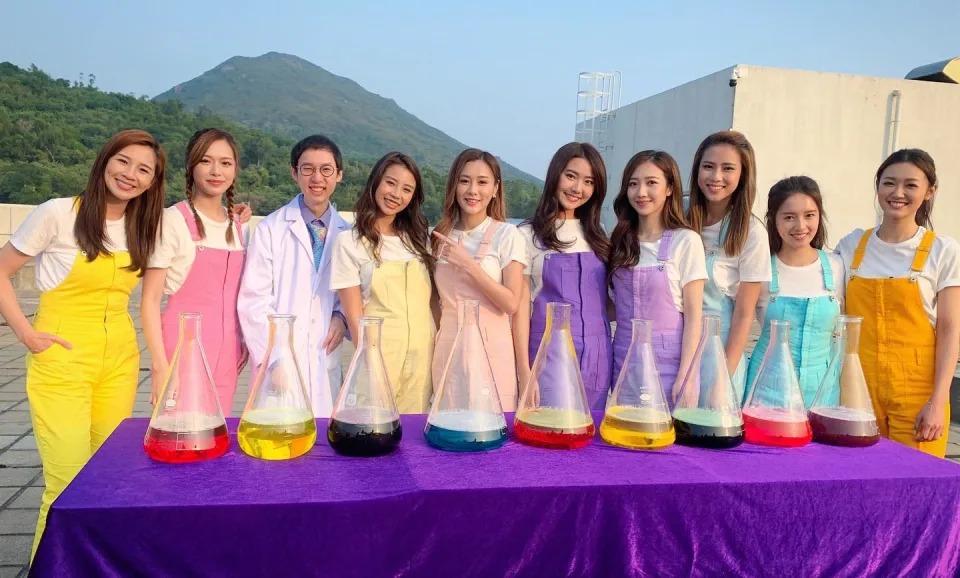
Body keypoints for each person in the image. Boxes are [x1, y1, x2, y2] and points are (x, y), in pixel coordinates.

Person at [0, 130, 166, 556]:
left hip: (120, 363)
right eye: (123, 161)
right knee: (66, 482)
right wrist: (25, 333)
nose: (130, 174)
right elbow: (1, 269)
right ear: (105, 160)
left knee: (107, 477)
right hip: (62, 360)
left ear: (152, 182)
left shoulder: (144, 226)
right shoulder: (58, 213)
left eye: (143, 170)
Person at [836, 149, 960, 457]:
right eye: (889, 183)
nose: (898, 193)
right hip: (858, 388)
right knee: (860, 473)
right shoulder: (851, 246)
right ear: (878, 186)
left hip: (918, 393)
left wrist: (938, 400)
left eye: (911, 185)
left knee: (917, 477)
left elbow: (950, 329)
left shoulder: (943, 250)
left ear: (930, 191)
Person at [238, 135, 349, 417]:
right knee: (281, 434)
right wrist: (275, 360)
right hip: (279, 363)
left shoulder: (348, 234)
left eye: (326, 169)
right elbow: (254, 301)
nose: (317, 178)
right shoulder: (270, 229)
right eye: (307, 169)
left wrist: (341, 317)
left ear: (339, 175)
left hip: (324, 359)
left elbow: (352, 293)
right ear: (294, 173)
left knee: (324, 435)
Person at [141, 128, 251, 415]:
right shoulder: (173, 220)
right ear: (191, 166)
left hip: (228, 355)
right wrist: (160, 366)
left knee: (216, 432)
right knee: (180, 434)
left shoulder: (237, 225)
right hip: (183, 352)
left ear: (235, 170)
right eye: (206, 161)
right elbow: (150, 301)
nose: (216, 171)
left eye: (225, 163)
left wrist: (243, 343)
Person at [330, 152, 435, 413]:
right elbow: (355, 315)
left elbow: (432, 303)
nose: (396, 194)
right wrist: (369, 361)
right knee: (374, 428)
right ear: (376, 181)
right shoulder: (350, 242)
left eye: (407, 189)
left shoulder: (419, 240)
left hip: (422, 357)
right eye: (390, 183)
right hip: (379, 356)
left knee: (414, 430)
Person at [516, 142, 612, 409]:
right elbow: (520, 309)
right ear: (555, 175)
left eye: (589, 182)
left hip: (598, 354)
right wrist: (524, 370)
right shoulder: (526, 235)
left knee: (592, 427)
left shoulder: (598, 234)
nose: (577, 188)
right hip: (549, 352)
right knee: (551, 426)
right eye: (571, 176)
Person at [431, 149, 527, 411]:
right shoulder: (439, 236)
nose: (473, 190)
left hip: (492, 347)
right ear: (454, 186)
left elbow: (511, 303)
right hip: (448, 346)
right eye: (464, 181)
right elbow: (435, 302)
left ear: (495, 189)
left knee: (491, 424)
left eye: (482, 182)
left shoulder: (508, 235)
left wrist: (469, 265)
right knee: (448, 423)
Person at [608, 150, 706, 404]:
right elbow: (612, 306)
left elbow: (694, 317)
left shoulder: (686, 241)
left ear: (670, 188)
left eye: (651, 182)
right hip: (624, 361)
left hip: (669, 366)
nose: (641, 192)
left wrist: (687, 375)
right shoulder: (619, 242)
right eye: (633, 184)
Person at [686, 131, 771, 401]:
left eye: (728, 168)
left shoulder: (752, 232)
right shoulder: (679, 216)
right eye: (708, 166)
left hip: (720, 352)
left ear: (743, 175)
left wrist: (723, 376)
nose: (716, 177)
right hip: (677, 347)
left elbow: (744, 315)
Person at [746, 176, 843, 407]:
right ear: (774, 219)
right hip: (766, 391)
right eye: (789, 217)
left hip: (823, 391)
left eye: (809, 215)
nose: (800, 226)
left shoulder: (837, 266)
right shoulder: (760, 269)